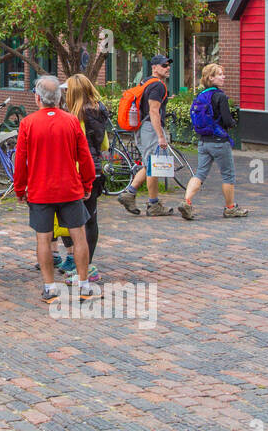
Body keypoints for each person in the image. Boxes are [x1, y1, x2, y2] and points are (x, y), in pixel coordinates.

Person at [14, 75, 98, 304]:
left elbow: (20, 160)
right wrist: (87, 182)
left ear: (38, 98)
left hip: (40, 190)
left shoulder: (28, 123)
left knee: (44, 238)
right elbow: (85, 156)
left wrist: (20, 188)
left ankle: (50, 287)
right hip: (69, 188)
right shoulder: (71, 121)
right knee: (78, 236)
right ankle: (84, 285)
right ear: (60, 98)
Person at [180, 63, 250, 220]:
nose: (223, 77)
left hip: (203, 142)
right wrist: (233, 123)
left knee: (200, 173)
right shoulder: (221, 97)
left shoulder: (201, 95)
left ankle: (187, 202)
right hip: (219, 142)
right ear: (210, 78)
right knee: (228, 175)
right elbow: (227, 120)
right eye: (219, 74)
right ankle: (230, 208)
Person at [64, 73, 110, 281]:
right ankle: (87, 263)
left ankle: (84, 267)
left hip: (81, 172)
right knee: (92, 219)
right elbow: (105, 144)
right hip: (98, 167)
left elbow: (77, 147)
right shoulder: (100, 111)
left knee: (78, 221)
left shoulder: (77, 116)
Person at [117, 54, 174, 217]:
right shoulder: (158, 86)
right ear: (154, 67)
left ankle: (129, 193)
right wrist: (161, 136)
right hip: (150, 128)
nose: (167, 67)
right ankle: (153, 204)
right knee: (153, 165)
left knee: (148, 163)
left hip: (142, 127)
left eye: (168, 65)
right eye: (164, 65)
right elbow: (154, 111)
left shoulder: (145, 82)